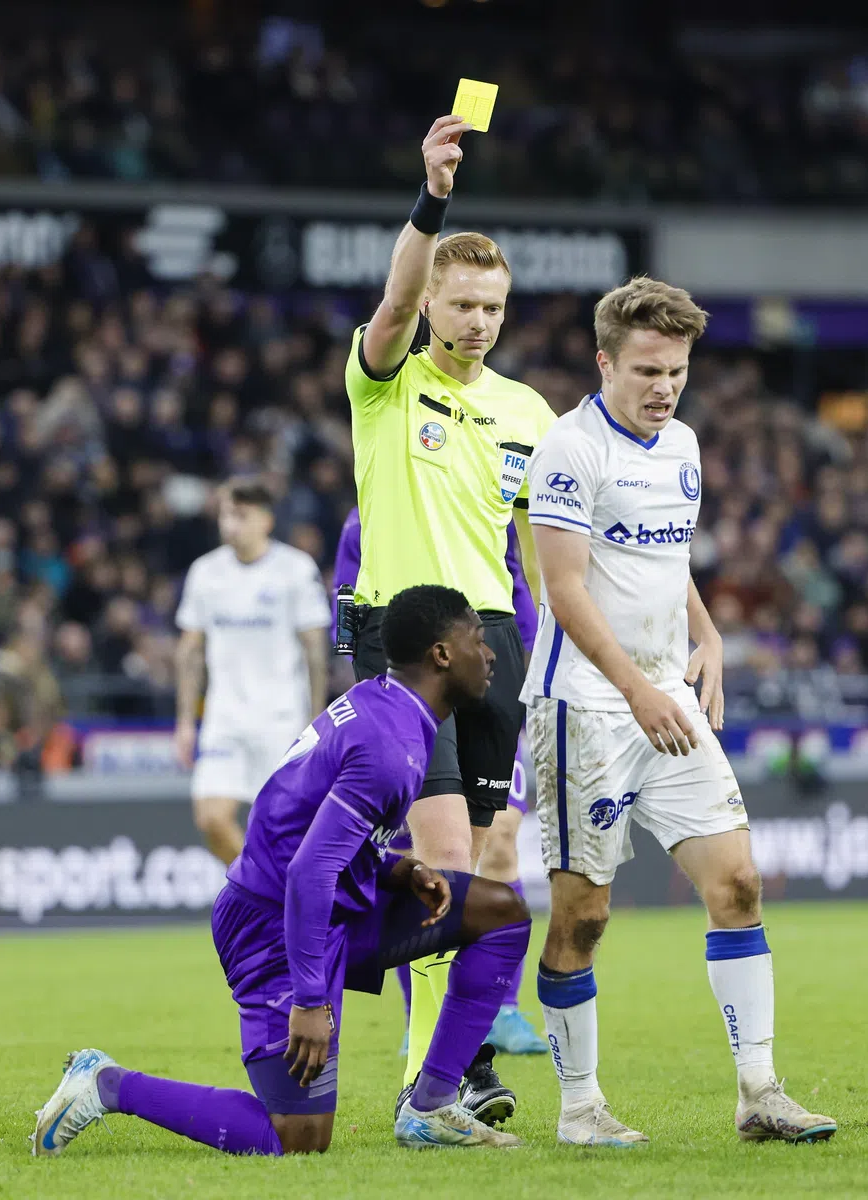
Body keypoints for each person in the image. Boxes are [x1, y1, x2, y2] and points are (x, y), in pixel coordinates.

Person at [32, 585, 530, 1156]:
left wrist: (398, 871)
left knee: (501, 913)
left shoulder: (388, 704)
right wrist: (311, 1001)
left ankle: (433, 1106)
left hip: (339, 906)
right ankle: (107, 1084)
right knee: (296, 1139)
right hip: (275, 924)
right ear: (441, 654)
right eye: (476, 636)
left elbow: (320, 834)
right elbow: (306, 871)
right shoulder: (391, 744)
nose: (491, 653)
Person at [524, 277, 837, 1147]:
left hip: (667, 695)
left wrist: (710, 638)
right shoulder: (569, 450)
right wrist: (636, 689)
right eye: (649, 370)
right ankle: (581, 1108)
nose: (665, 387)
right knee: (583, 916)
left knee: (737, 884)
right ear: (605, 363)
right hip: (586, 706)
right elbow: (565, 588)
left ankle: (759, 1092)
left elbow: (670, 562)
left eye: (679, 371)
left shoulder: (684, 445)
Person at [344, 113, 556, 1116]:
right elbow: (389, 298)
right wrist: (431, 196)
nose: (478, 323)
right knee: (447, 863)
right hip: (401, 639)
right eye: (462, 304)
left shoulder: (529, 412)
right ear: (431, 300)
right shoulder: (387, 381)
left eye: (494, 308)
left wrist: (552, 653)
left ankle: (452, 1063)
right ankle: (436, 1083)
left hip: (493, 642)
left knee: (491, 864)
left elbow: (537, 551)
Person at [334, 508, 549, 1059]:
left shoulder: (482, 503)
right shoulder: (369, 517)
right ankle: (422, 1016)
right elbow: (346, 600)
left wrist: (525, 678)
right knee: (428, 855)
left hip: (490, 687)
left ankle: (501, 1008)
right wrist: (356, 671)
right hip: (417, 698)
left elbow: (515, 584)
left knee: (499, 843)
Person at [175, 480, 331, 865]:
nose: (230, 525)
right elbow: (190, 651)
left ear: (265, 519)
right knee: (211, 819)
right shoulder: (205, 572)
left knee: (284, 828)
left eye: (240, 516)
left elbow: (315, 648)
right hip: (224, 717)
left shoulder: (294, 569)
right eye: (225, 515)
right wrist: (183, 722)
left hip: (280, 718)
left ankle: (279, 899)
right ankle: (267, 894)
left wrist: (316, 718)